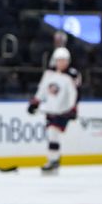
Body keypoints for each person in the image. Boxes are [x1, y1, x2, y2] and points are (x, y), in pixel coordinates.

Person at [28, 46, 78, 175]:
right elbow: (42, 90)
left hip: (63, 110)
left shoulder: (71, 75)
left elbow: (74, 94)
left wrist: (73, 108)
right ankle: (54, 160)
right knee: (51, 134)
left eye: (64, 60)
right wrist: (35, 103)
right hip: (50, 109)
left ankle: (53, 159)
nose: (61, 63)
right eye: (59, 60)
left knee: (52, 132)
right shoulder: (49, 75)